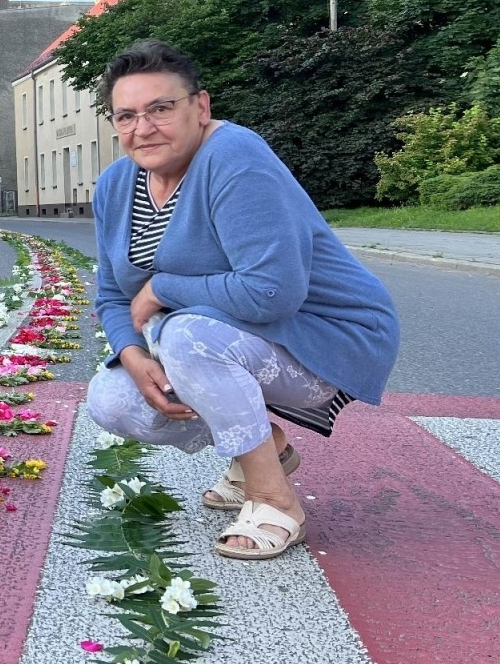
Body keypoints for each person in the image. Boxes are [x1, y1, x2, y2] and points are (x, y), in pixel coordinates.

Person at [85, 41, 399, 560]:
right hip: (235, 340)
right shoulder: (117, 184)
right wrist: (132, 355)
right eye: (126, 115)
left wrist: (164, 289)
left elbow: (272, 292)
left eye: (161, 108)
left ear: (200, 107)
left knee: (183, 334)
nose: (143, 128)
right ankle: (267, 449)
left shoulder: (235, 158)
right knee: (113, 399)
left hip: (325, 338)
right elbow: (113, 295)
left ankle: (275, 500)